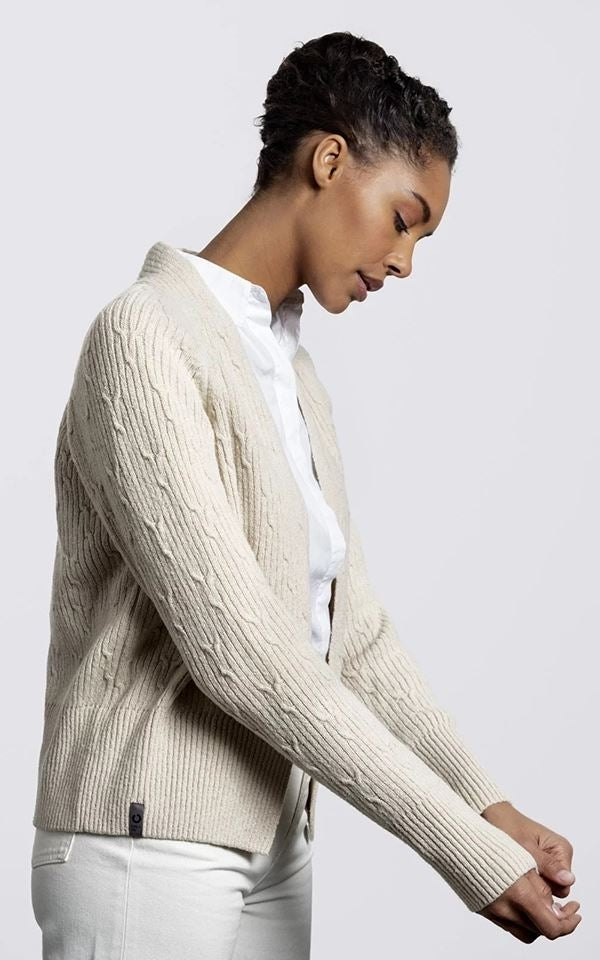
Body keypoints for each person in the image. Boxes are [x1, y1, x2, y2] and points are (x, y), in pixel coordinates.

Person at [30, 30, 581, 958]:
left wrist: (489, 807)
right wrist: (463, 850)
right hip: (144, 844)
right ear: (328, 160)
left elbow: (351, 636)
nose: (405, 262)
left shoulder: (295, 377)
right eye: (403, 219)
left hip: (275, 839)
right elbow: (241, 651)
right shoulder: (144, 337)